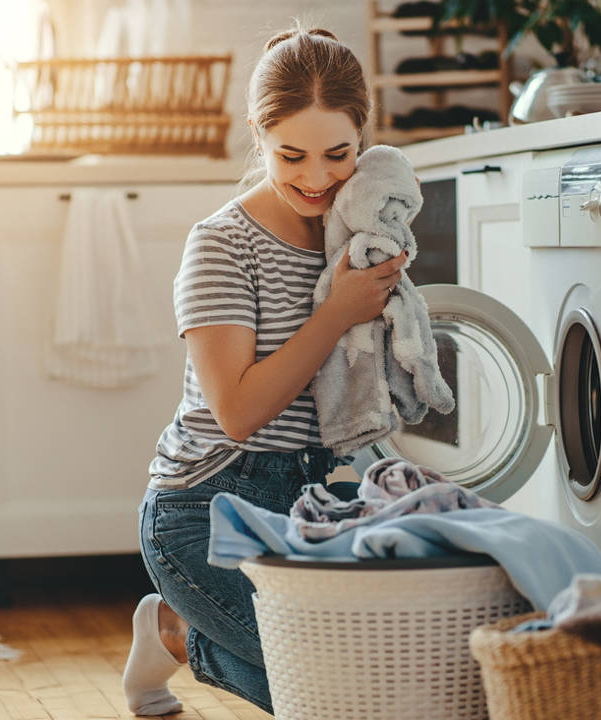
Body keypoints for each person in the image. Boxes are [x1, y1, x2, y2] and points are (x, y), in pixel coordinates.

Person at [121, 25, 409, 716]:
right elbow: (240, 413)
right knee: (337, 696)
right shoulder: (221, 246)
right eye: (292, 156)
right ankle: (176, 627)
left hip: (313, 501)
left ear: (364, 139)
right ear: (258, 135)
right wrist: (336, 312)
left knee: (391, 673)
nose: (316, 179)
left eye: (338, 155)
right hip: (205, 510)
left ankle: (183, 632)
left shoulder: (361, 234)